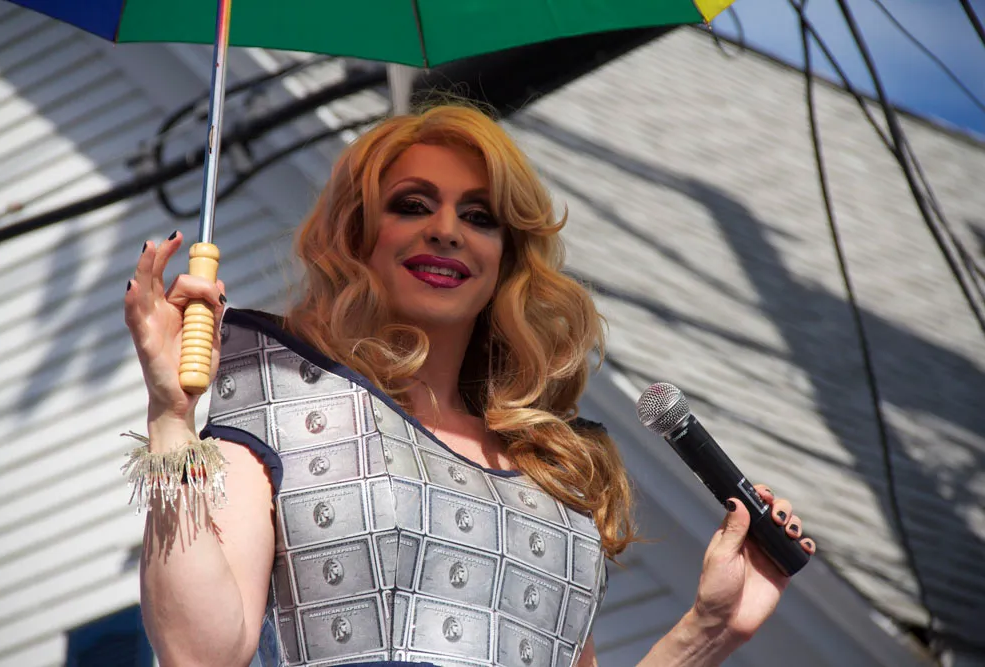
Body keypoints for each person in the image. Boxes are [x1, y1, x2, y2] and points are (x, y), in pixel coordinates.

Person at [124, 103, 817, 667]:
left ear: (506, 260)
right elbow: (200, 654)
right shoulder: (281, 394)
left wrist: (708, 630)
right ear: (358, 237)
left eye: (480, 217)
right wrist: (171, 417)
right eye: (412, 204)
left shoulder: (555, 471)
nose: (447, 231)